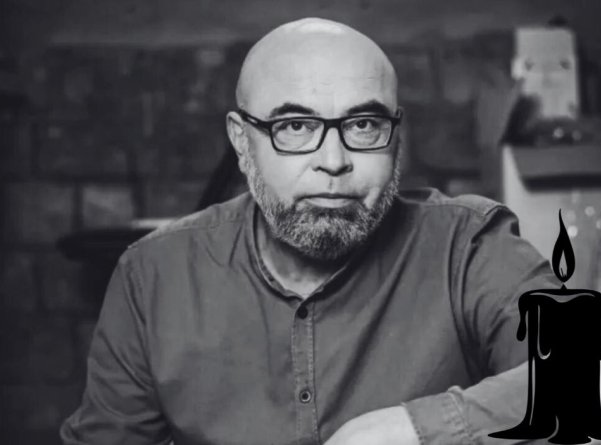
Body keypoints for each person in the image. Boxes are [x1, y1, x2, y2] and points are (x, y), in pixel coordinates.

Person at [60, 17, 556, 445]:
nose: (333, 161)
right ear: (242, 142)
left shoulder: (468, 245)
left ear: (395, 138)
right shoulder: (153, 276)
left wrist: (417, 429)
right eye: (296, 127)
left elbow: (583, 374)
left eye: (363, 125)